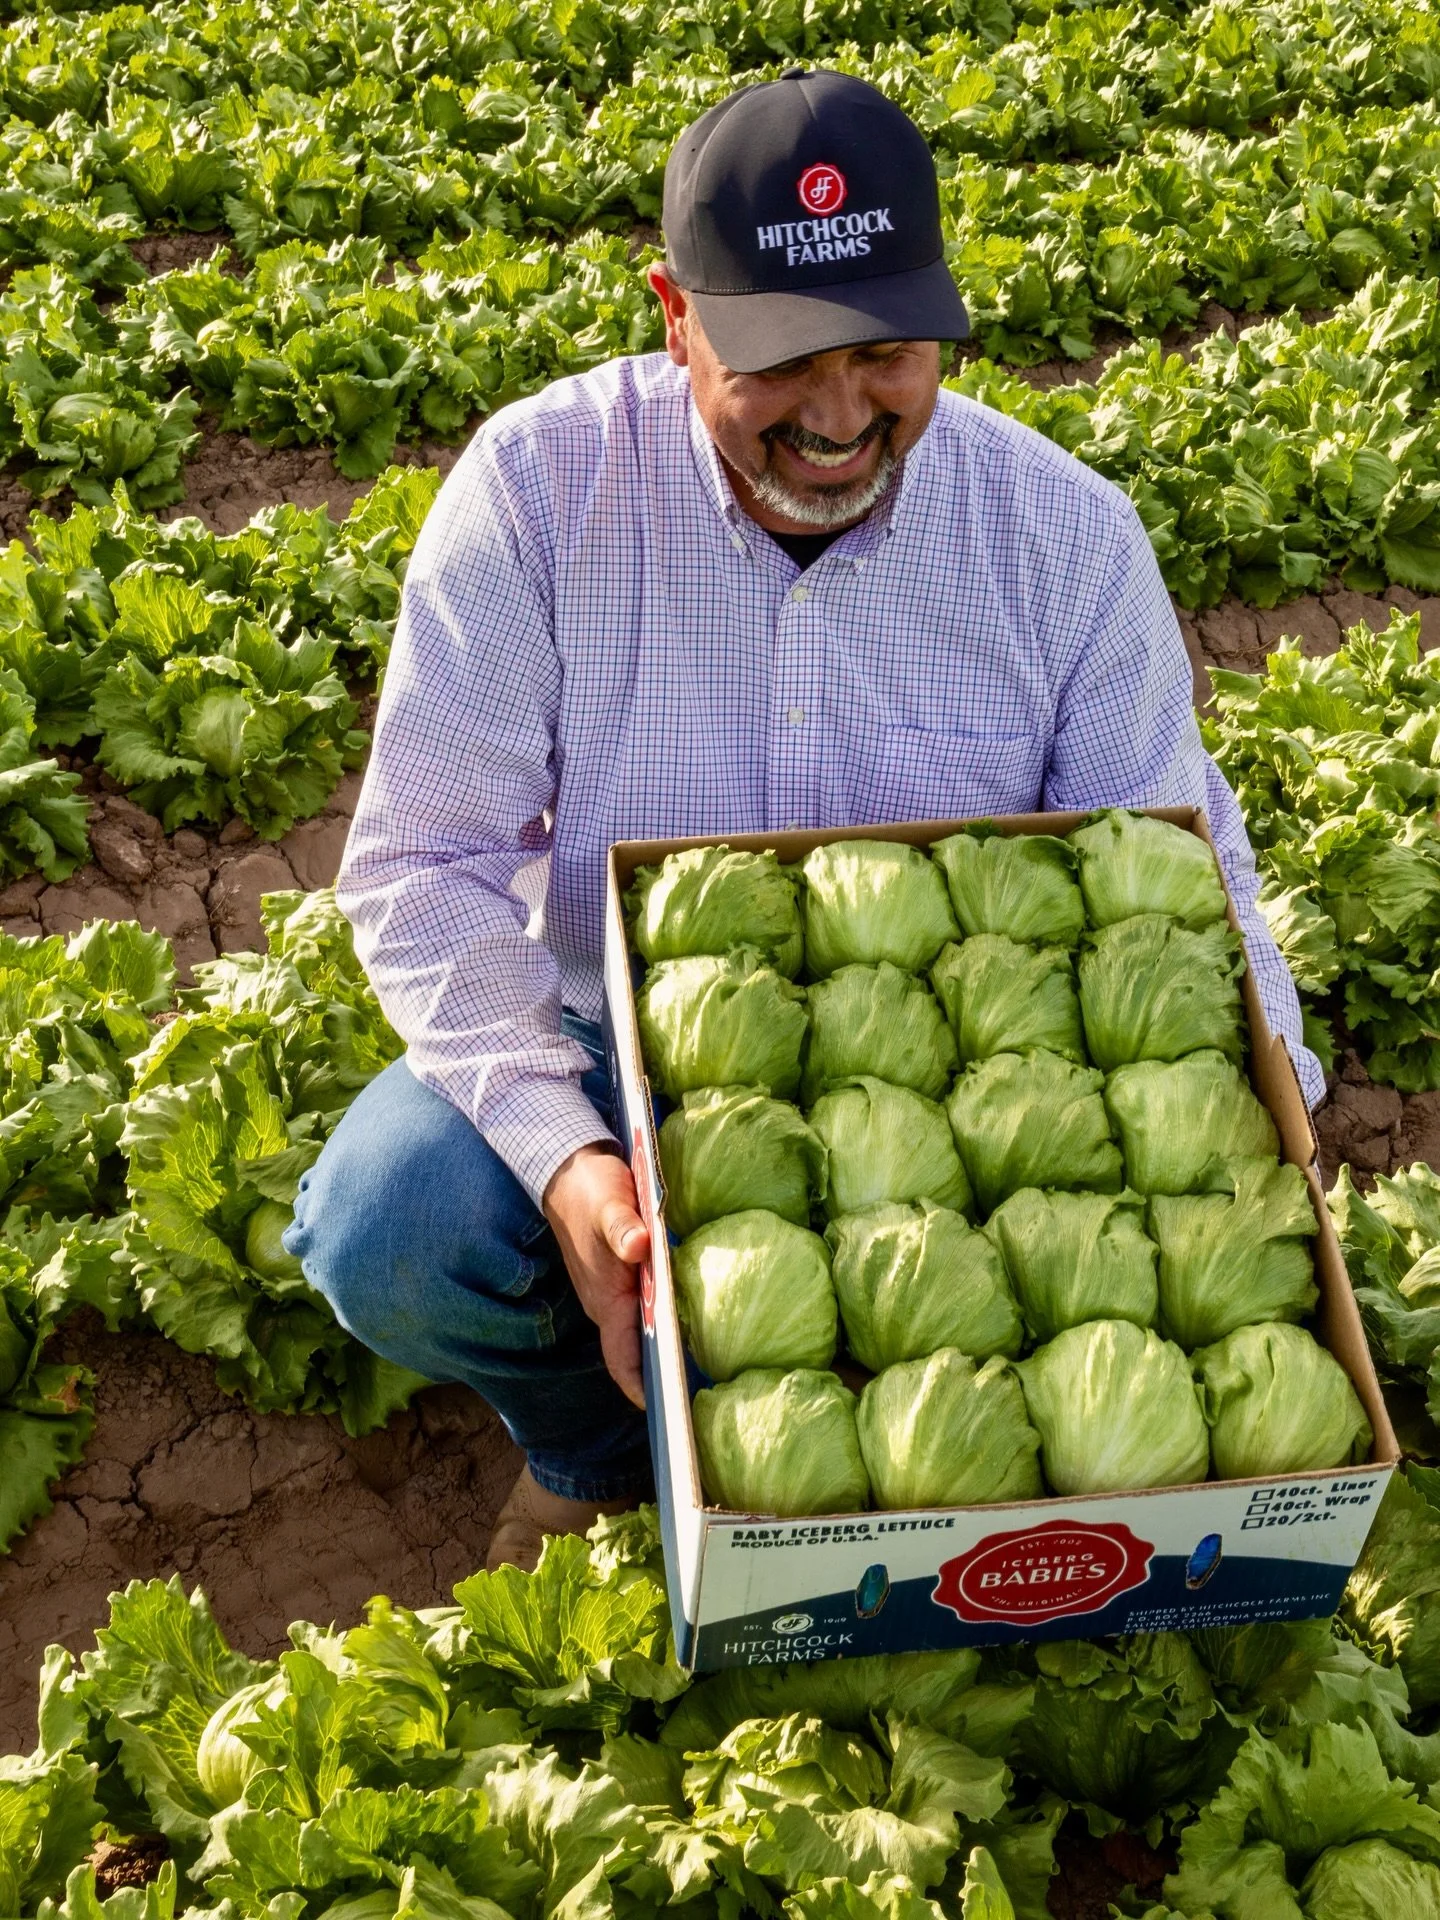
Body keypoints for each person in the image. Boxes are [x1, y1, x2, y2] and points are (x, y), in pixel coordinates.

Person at [284, 69, 1322, 1570]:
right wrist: (572, 1162)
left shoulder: (1066, 539)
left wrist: (1271, 1113)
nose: (840, 418)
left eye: (887, 354)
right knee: (394, 1220)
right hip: (636, 1035)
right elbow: (421, 862)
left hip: (997, 1083)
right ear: (675, 317)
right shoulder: (538, 495)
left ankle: (934, 1489)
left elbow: (1172, 858)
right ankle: (599, 1450)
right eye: (780, 362)